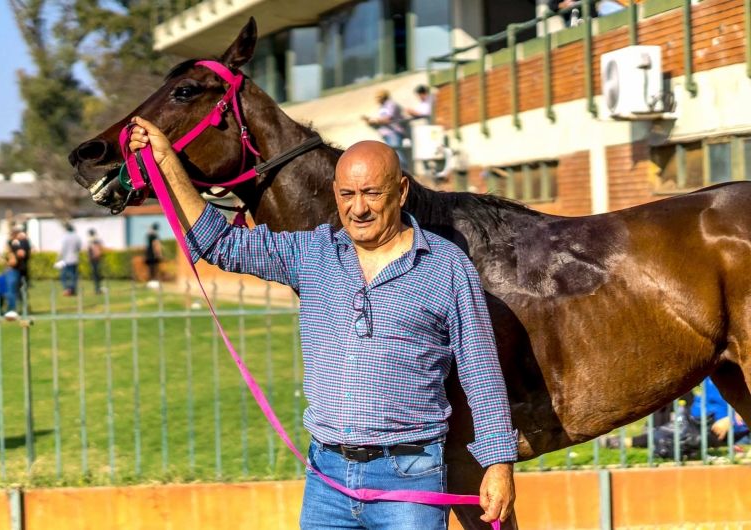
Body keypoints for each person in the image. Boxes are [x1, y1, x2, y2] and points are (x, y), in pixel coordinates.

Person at [129, 117, 519, 529]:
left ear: (401, 191)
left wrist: (499, 465)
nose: (358, 207)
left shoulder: (446, 266)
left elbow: (482, 372)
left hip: (408, 476)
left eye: (372, 193)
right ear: (335, 193)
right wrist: (167, 164)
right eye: (347, 194)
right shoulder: (313, 253)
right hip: (327, 478)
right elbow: (221, 244)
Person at [602, 377, 748, 457]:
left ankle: (629, 442)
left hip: (720, 427)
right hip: (696, 416)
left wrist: (731, 419)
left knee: (676, 436)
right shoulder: (716, 367)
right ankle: (645, 435)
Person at [362, 89, 408, 168]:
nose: (378, 100)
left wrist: (374, 120)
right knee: (392, 154)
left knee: (397, 153)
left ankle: (405, 172)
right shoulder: (382, 107)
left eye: (379, 97)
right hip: (387, 134)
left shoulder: (391, 104)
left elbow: (388, 118)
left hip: (393, 132)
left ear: (384, 97)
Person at [59, 224, 81, 296]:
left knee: (64, 275)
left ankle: (67, 289)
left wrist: (59, 259)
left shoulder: (64, 237)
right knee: (74, 275)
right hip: (74, 259)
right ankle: (73, 289)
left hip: (66, 259)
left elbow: (62, 249)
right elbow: (79, 248)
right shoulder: (76, 237)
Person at [87, 229, 104, 295]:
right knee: (96, 275)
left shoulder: (93, 241)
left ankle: (97, 289)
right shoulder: (95, 240)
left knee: (96, 275)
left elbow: (95, 249)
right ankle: (97, 289)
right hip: (95, 259)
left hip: (95, 259)